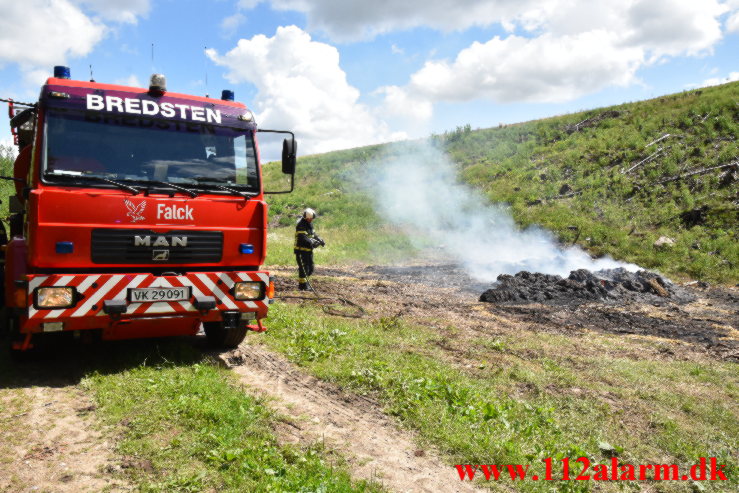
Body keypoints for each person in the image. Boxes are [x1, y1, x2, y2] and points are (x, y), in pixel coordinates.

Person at [294, 208, 325, 290]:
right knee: (304, 269)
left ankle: (305, 284)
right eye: (310, 218)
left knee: (310, 268)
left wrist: (320, 240)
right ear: (306, 217)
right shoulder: (301, 225)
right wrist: (312, 243)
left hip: (308, 251)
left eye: (312, 219)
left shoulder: (309, 224)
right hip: (301, 251)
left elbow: (313, 235)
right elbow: (303, 238)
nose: (311, 220)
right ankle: (303, 286)